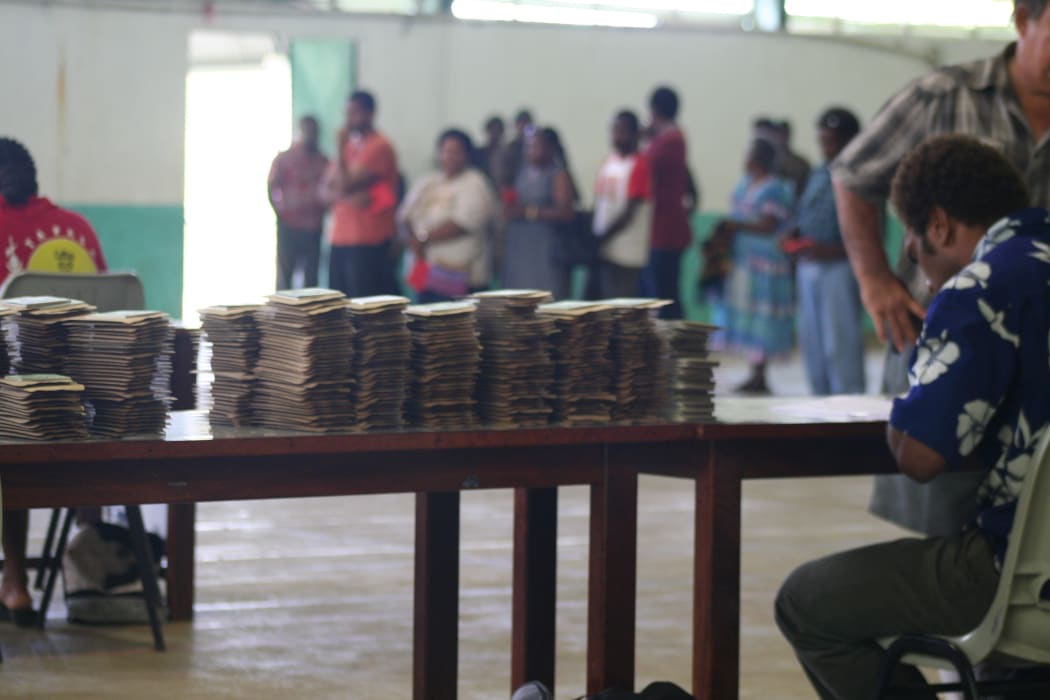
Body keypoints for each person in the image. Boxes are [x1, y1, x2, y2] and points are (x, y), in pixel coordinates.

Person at [777, 135, 1050, 700]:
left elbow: (919, 457)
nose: (921, 273)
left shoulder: (979, 287)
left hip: (1022, 579)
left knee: (807, 602)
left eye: (916, 249)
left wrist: (923, 364)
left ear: (941, 226)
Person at [834, 0, 1050, 536]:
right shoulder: (941, 96)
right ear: (1026, 21)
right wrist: (875, 280)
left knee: (1032, 521)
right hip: (947, 337)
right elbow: (853, 175)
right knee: (938, 508)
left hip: (1040, 354)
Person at [0, 137, 108, 626]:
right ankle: (89, 569)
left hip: (19, 419)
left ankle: (16, 581)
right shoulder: (77, 228)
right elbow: (108, 318)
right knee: (80, 395)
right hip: (92, 409)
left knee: (13, 416)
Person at [788, 108, 865, 396]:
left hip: (840, 267)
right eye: (822, 141)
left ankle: (850, 402)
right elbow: (807, 213)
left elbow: (869, 233)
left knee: (840, 341)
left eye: (833, 141)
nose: (826, 148)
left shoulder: (861, 174)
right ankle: (819, 403)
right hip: (809, 265)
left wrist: (828, 249)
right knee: (813, 341)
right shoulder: (820, 173)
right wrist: (795, 234)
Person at [718, 138, 795, 394]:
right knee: (749, 317)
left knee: (764, 318)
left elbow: (769, 225)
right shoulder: (746, 184)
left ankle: (761, 374)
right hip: (744, 262)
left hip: (766, 266)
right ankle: (754, 372)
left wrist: (736, 226)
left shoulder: (775, 188)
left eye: (749, 154)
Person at [398, 129, 498, 303]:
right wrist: (413, 240)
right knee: (423, 322)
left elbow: (462, 224)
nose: (449, 156)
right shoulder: (428, 181)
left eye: (455, 152)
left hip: (460, 277)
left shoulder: (475, 182)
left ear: (467, 155)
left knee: (456, 326)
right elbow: (404, 215)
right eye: (445, 151)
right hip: (424, 269)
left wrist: (423, 239)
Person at [321, 90, 400, 298]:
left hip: (368, 239)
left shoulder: (379, 147)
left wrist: (339, 148)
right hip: (340, 237)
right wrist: (348, 198)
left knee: (365, 306)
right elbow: (323, 190)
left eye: (354, 112)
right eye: (347, 113)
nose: (348, 119)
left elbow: (345, 183)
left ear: (370, 113)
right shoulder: (350, 147)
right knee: (339, 305)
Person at [502, 127, 575, 298]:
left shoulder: (558, 174)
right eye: (528, 146)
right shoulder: (522, 172)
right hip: (521, 245)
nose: (530, 151)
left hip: (544, 246)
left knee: (543, 295)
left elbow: (565, 212)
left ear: (550, 148)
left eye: (536, 146)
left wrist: (528, 212)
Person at [642, 86, 692, 319]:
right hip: (661, 227)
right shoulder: (666, 138)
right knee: (661, 291)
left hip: (666, 230)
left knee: (665, 295)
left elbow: (646, 169)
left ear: (654, 111)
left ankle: (675, 346)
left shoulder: (670, 141)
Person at [591, 110, 651, 298]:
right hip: (604, 250)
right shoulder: (609, 162)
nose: (617, 136)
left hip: (627, 252)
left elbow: (630, 212)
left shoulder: (640, 164)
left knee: (620, 310)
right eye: (614, 131)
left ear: (635, 134)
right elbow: (599, 202)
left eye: (622, 131)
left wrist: (603, 236)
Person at [267, 115, 329, 291]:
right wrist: (279, 212)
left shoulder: (323, 161)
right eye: (307, 131)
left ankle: (309, 316)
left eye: (314, 131)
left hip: (313, 227)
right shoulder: (284, 159)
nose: (311, 135)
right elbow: (271, 185)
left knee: (311, 277)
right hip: (288, 225)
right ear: (300, 131)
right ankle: (284, 316)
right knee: (285, 275)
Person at [772, 120, 811, 201]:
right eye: (778, 134)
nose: (780, 137)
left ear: (789, 134)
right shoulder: (767, 162)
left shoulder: (801, 163)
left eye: (783, 134)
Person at [499, 109, 534, 189]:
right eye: (521, 124)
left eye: (527, 124)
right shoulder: (511, 149)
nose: (524, 128)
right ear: (516, 126)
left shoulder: (538, 146)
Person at [475, 115, 506, 187]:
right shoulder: (478, 154)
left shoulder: (508, 154)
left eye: (497, 130)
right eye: (492, 130)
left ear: (502, 132)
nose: (494, 134)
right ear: (486, 131)